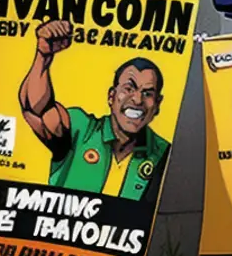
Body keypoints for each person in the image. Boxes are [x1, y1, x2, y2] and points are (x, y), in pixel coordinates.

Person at [18, 20, 170, 201]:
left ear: (157, 104)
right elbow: (36, 110)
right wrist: (43, 56)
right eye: (128, 89)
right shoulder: (82, 130)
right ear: (111, 97)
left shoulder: (163, 153)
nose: (137, 100)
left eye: (147, 93)